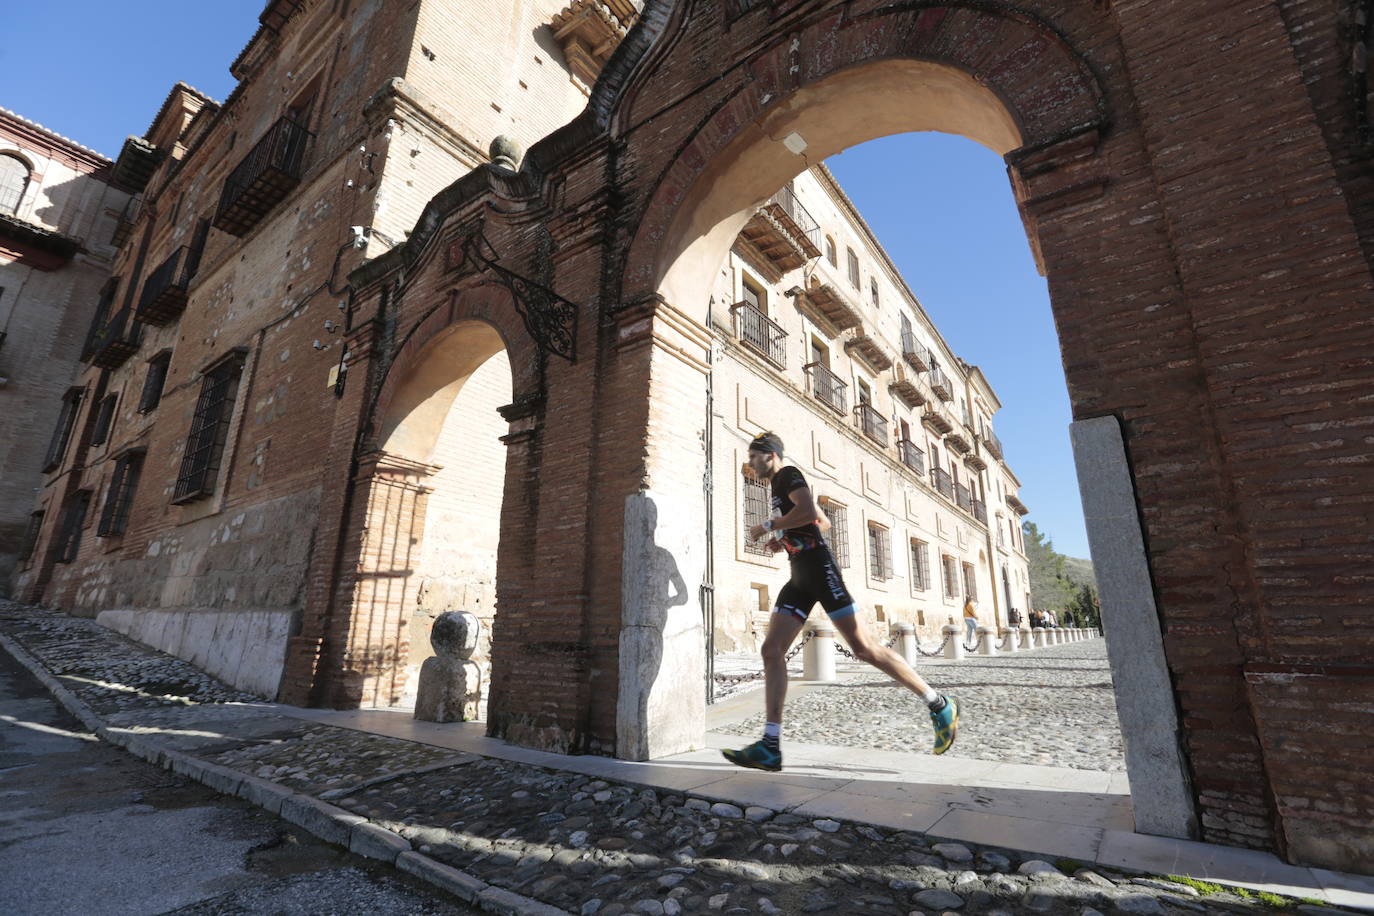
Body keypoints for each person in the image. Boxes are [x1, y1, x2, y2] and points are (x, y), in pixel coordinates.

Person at [721, 432, 960, 772]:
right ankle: (770, 744)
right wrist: (785, 539)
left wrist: (771, 524)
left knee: (863, 648)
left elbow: (807, 511)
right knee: (772, 651)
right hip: (800, 577)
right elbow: (823, 521)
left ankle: (938, 704)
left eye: (754, 456)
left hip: (821, 571)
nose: (750, 462)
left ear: (770, 454)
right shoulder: (777, 486)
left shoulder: (788, 474)